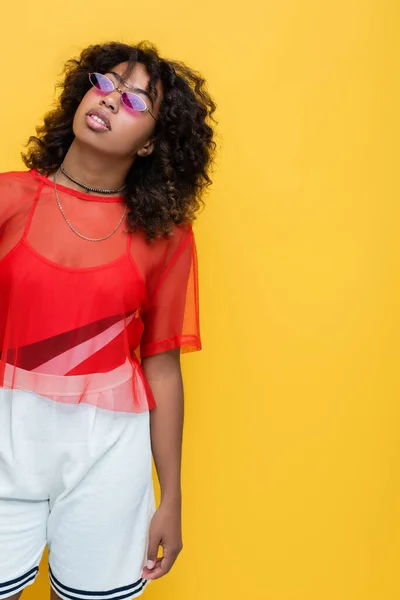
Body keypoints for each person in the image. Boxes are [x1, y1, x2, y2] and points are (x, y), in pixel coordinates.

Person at [0, 41, 215, 600]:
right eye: (105, 84)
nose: (112, 101)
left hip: (108, 454)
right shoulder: (8, 199)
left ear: (150, 145)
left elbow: (162, 368)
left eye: (136, 101)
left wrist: (171, 498)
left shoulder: (165, 237)